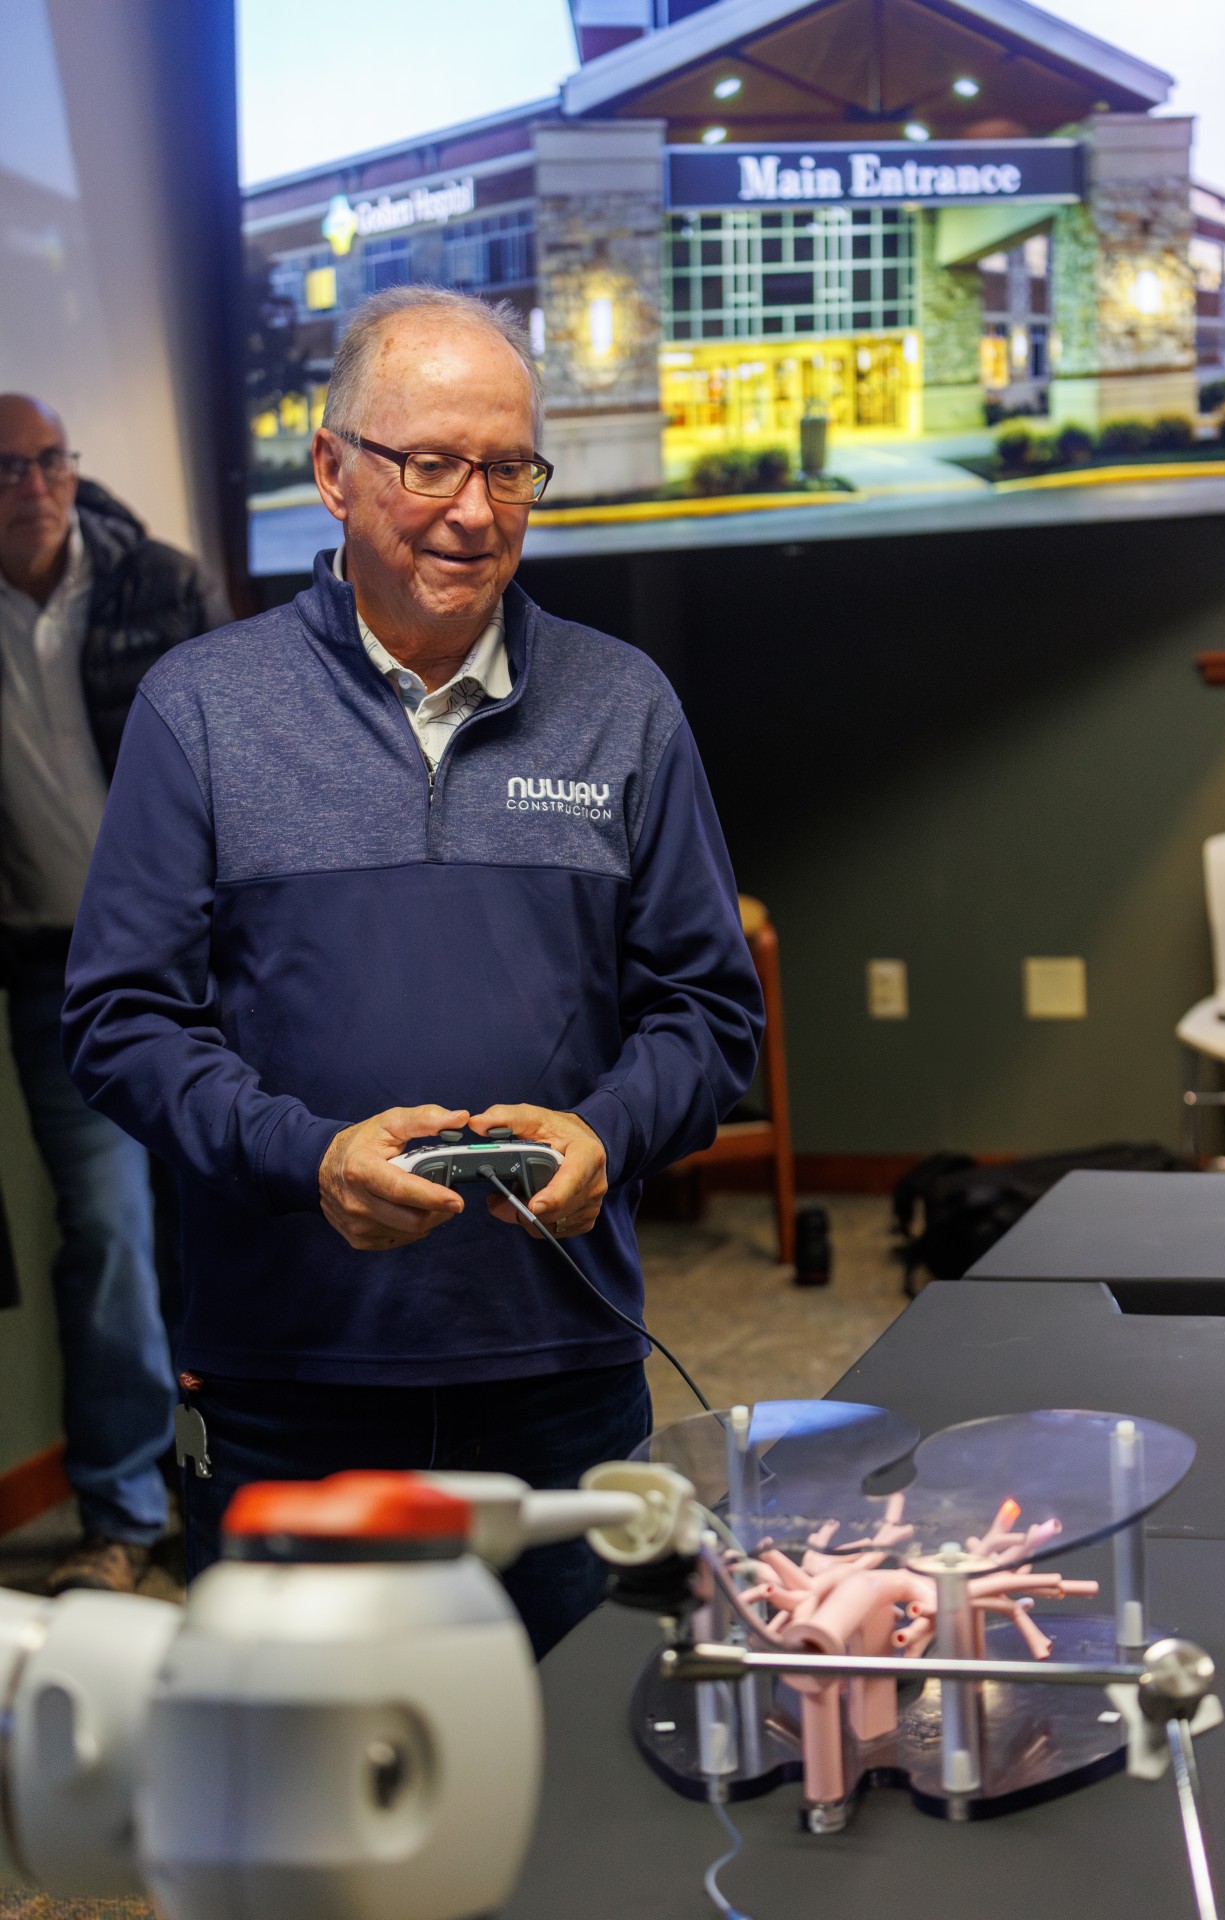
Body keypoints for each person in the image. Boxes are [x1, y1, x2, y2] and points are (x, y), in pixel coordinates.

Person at [63, 287, 763, 1656]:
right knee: (309, 1806)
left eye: (510, 468)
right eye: (430, 461)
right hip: (288, 1384)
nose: (476, 508)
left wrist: (605, 1133)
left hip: (560, 1375)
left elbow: (708, 1007)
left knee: (582, 1798)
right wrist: (303, 1157)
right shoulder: (203, 709)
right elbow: (122, 1019)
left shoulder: (627, 705)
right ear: (332, 470)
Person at [0, 393, 230, 1594]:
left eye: (48, 461)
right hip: (52, 974)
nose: (32, 486)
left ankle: (228, 1504)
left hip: (193, 965)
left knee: (220, 1228)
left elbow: (245, 758)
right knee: (107, 1240)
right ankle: (122, 1518)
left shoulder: (162, 586)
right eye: (6, 469)